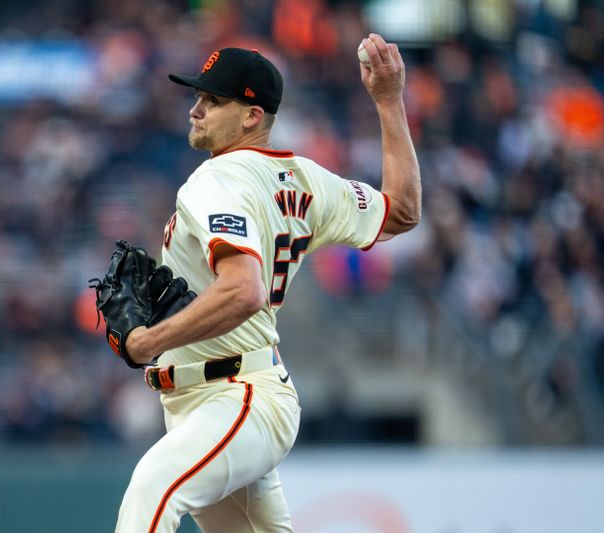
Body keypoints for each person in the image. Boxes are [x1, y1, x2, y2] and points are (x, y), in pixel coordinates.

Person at [116, 34, 421, 532]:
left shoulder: (215, 181)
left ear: (252, 115)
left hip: (234, 396)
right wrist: (389, 102)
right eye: (198, 97)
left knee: (153, 489)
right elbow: (402, 210)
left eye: (212, 101)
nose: (195, 110)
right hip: (225, 398)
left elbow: (245, 290)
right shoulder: (307, 179)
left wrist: (146, 341)